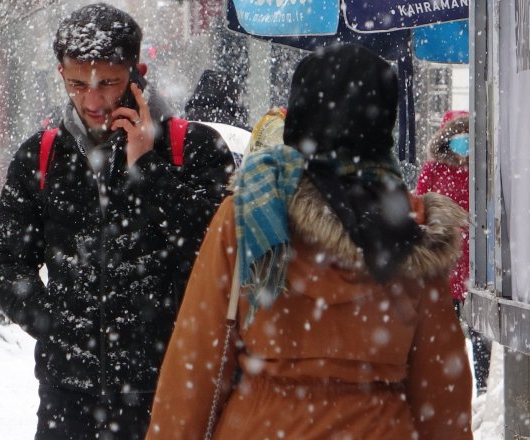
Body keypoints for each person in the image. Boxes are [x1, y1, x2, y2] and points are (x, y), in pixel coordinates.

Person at [147, 44, 473, 439]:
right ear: (384, 123)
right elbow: (441, 389)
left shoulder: (251, 212)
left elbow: (195, 363)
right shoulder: (411, 229)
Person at [0, 3, 234, 439]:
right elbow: (4, 265)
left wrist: (147, 169)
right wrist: (56, 325)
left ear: (136, 73)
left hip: (168, 390)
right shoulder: (40, 157)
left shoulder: (192, 148)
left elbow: (214, 253)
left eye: (109, 84)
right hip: (68, 399)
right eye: (77, 84)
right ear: (60, 72)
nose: (93, 100)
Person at [416, 110, 492, 395]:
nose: (463, 143)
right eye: (458, 136)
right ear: (447, 139)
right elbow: (420, 205)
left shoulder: (481, 168)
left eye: (467, 136)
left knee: (480, 330)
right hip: (444, 262)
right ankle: (444, 388)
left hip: (476, 263)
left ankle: (482, 389)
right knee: (444, 332)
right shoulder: (434, 169)